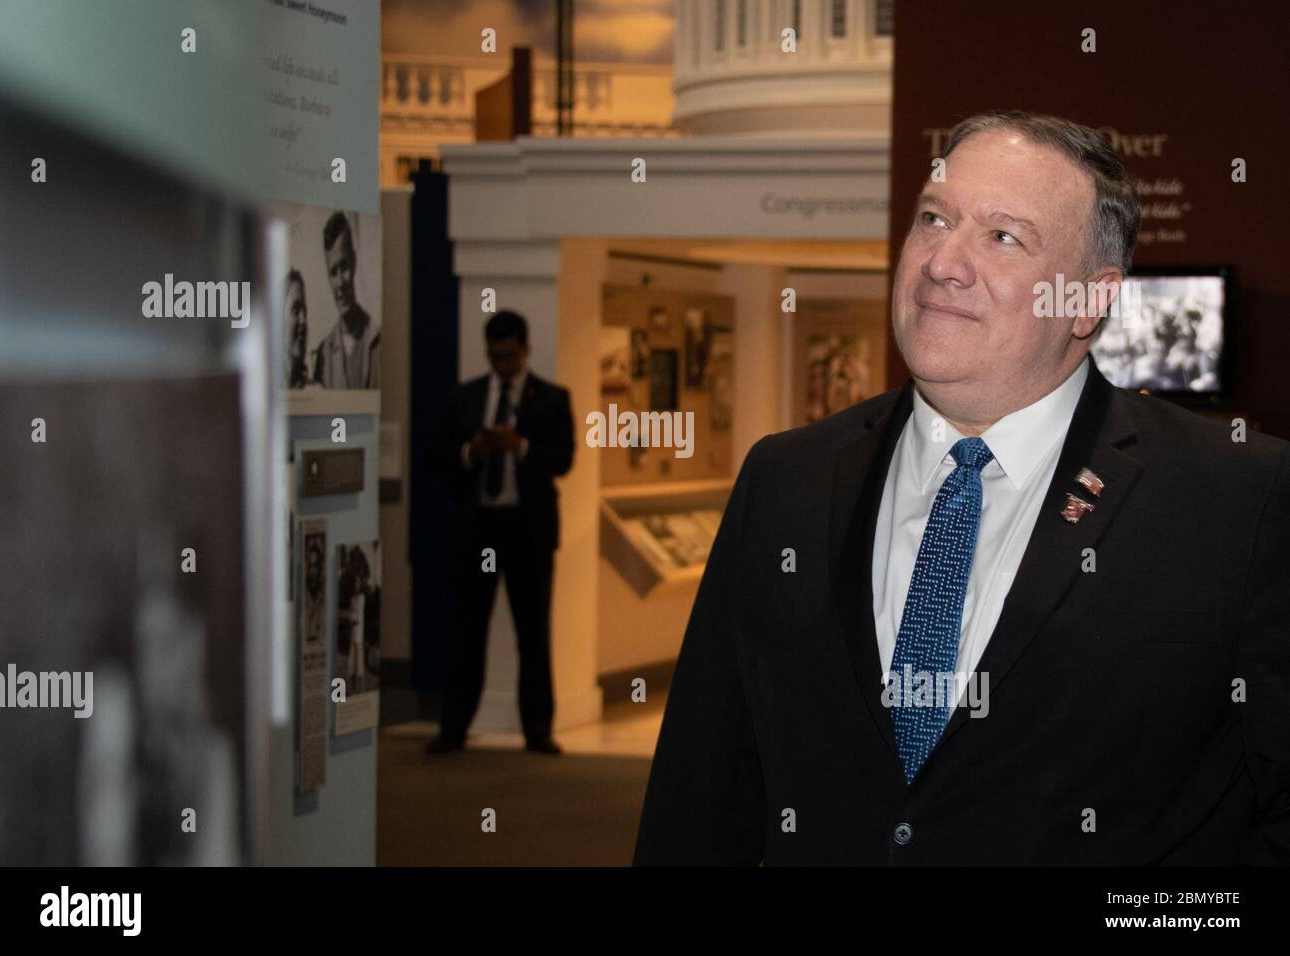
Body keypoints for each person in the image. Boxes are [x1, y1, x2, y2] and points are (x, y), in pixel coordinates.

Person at [633, 111, 1290, 865]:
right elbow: (702, 787)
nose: (943, 260)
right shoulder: (786, 479)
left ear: (1088, 299)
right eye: (933, 218)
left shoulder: (1241, 499)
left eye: (1002, 236)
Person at [427, 310, 575, 755]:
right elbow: (436, 457)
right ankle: (453, 727)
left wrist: (520, 446)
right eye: (495, 356)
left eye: (509, 355)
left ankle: (538, 729)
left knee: (532, 630)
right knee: (467, 629)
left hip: (526, 530)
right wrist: (473, 450)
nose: (503, 364)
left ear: (525, 350)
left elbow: (563, 460)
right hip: (478, 527)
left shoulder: (551, 398)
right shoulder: (466, 397)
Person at [312, 211, 380, 390]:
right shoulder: (323, 355)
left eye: (344, 267)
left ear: (354, 262)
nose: (340, 283)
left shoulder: (379, 341)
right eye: (333, 272)